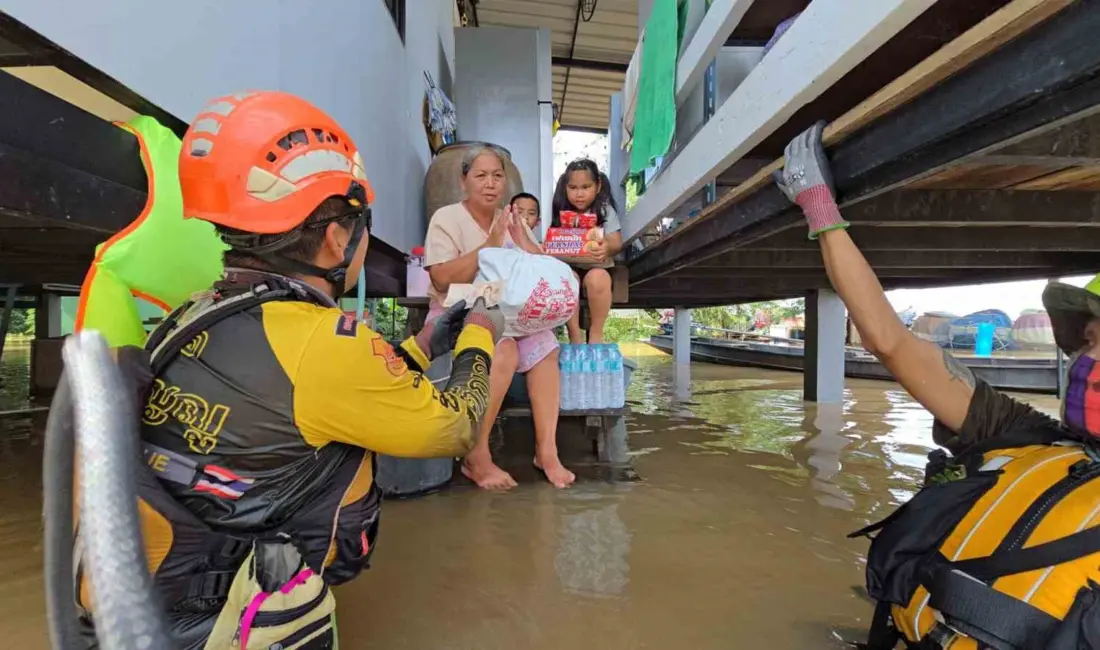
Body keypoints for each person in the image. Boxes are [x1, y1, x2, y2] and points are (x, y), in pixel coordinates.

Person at [74, 91, 505, 649]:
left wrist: (422, 344)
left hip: (149, 601)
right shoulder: (325, 343)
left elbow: (308, 395)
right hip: (230, 622)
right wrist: (480, 334)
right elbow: (456, 426)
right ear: (336, 237)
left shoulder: (197, 310)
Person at [775, 122, 1100, 649]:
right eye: (1088, 342)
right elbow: (891, 342)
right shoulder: (1023, 436)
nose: (1094, 360)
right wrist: (819, 207)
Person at [425, 145, 576, 490]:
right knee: (504, 349)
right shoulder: (446, 218)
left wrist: (524, 241)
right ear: (464, 181)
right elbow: (440, 280)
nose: (490, 183)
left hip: (507, 311)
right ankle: (476, 455)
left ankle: (547, 451)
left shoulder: (510, 220)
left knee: (547, 347)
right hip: (459, 308)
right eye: (480, 176)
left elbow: (542, 270)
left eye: (497, 176)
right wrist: (488, 248)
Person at [551, 158, 623, 343]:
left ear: (598, 187)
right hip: (569, 268)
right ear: (565, 188)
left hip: (597, 266)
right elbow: (552, 241)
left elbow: (616, 242)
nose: (579, 194)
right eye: (573, 188)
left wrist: (607, 248)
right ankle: (574, 334)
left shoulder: (605, 211)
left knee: (598, 278)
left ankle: (596, 334)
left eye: (586, 187)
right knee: (568, 279)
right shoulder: (560, 211)